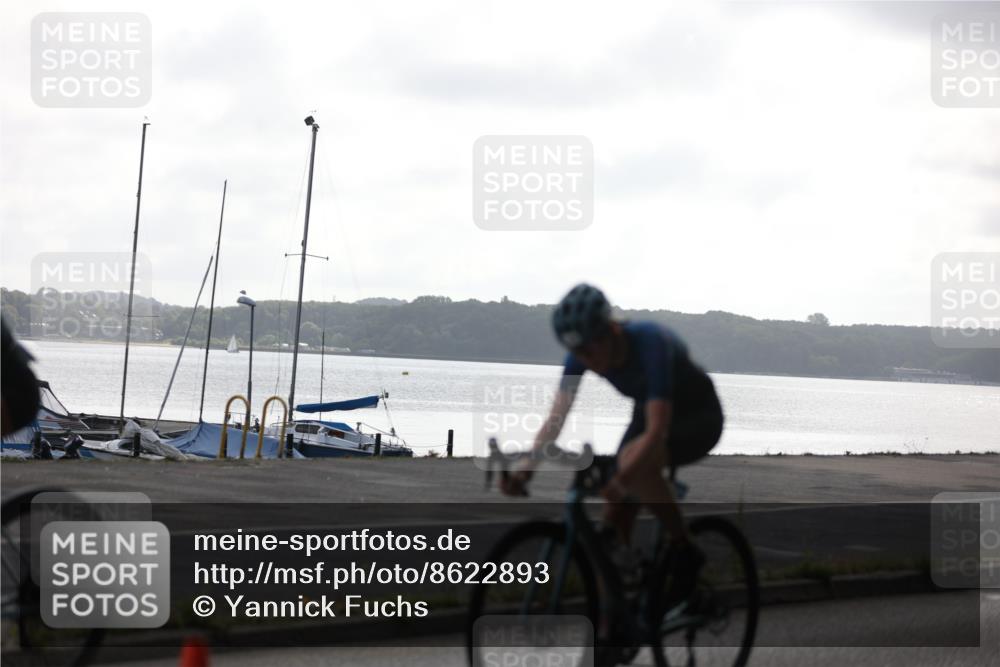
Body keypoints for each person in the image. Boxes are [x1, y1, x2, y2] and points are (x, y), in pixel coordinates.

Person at [501, 283, 723, 598]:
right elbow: (555, 419)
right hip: (648, 413)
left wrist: (623, 478)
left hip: (698, 417)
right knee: (610, 530)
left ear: (611, 331)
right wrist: (526, 468)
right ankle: (614, 624)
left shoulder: (650, 341)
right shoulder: (581, 355)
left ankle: (685, 547)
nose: (585, 359)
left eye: (590, 349)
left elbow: (658, 431)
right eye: (577, 352)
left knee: (635, 468)